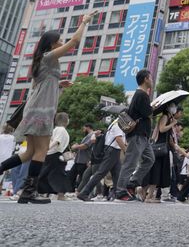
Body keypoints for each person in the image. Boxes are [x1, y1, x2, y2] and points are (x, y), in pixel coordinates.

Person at [0, 12, 95, 204]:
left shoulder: (41, 60)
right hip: (42, 111)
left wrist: (59, 84)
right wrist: (84, 22)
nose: (61, 44)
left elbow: (39, 86)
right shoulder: (49, 57)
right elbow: (74, 42)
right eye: (59, 41)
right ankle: (29, 192)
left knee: (28, 153)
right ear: (51, 44)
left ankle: (23, 188)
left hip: (35, 109)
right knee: (41, 151)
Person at [115, 69, 155, 201]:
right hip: (137, 134)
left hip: (143, 135)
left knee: (149, 159)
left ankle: (132, 183)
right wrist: (154, 108)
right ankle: (120, 191)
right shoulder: (141, 95)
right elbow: (148, 113)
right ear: (145, 79)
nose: (152, 80)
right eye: (150, 77)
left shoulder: (142, 95)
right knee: (130, 163)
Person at [77, 118, 126, 202]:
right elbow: (118, 139)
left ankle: (118, 194)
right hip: (113, 150)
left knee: (116, 173)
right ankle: (84, 193)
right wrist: (125, 150)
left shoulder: (114, 123)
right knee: (101, 172)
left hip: (114, 151)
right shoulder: (118, 125)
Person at [69, 124, 95, 191]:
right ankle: (72, 190)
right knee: (72, 175)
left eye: (84, 129)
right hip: (79, 160)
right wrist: (78, 146)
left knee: (83, 177)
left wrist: (76, 146)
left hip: (84, 160)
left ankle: (80, 191)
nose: (83, 131)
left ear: (88, 127)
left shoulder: (92, 135)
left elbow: (86, 145)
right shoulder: (88, 136)